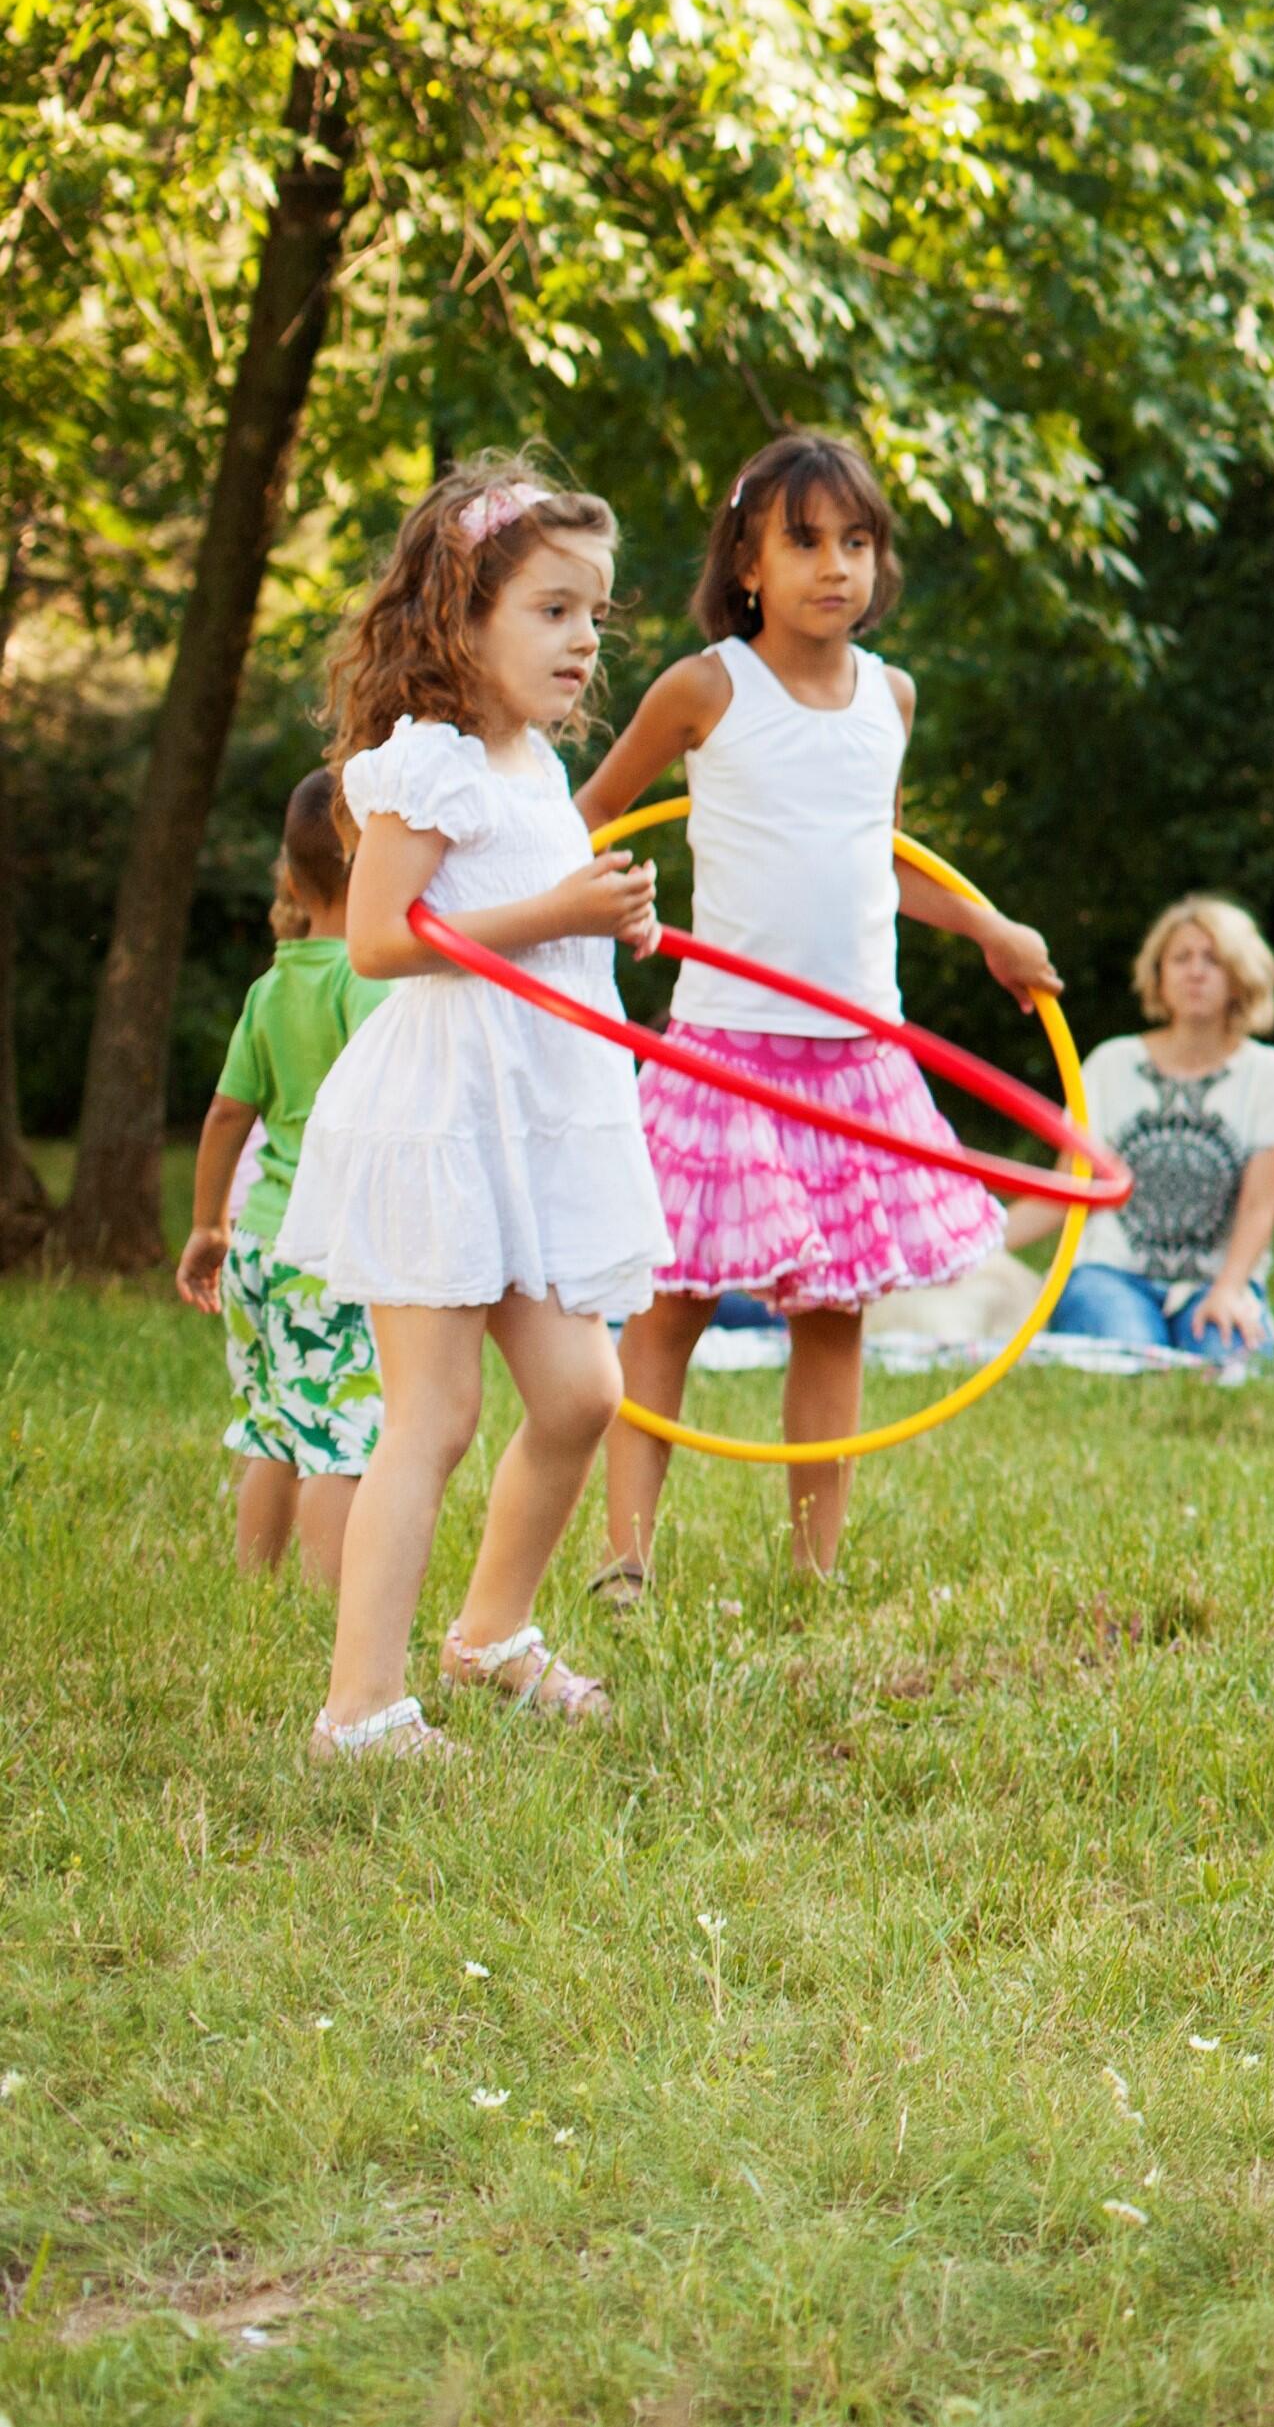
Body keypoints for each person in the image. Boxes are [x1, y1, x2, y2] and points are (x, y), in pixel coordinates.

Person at [584, 431, 1062, 1591]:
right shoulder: (706, 687)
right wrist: (579, 905)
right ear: (747, 562)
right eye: (803, 542)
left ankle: (814, 1570)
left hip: (855, 1057)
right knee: (669, 1310)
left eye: (857, 542)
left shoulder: (889, 697)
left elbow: (884, 863)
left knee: (833, 1316)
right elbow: (588, 820)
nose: (834, 566)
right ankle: (624, 1562)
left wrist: (990, 928)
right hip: (723, 1049)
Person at [274, 457, 675, 1762]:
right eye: (552, 610)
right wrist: (558, 913)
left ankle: (491, 1632)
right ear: (464, 613)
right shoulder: (425, 763)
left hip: (535, 1121)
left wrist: (617, 922)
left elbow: (549, 933)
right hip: (443, 1121)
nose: (581, 642)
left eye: (594, 617)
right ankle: (359, 1710)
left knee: (580, 1394)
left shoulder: (538, 772)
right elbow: (385, 940)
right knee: (433, 1416)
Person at [176, 770, 385, 1590]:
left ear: (292, 882)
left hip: (259, 1241)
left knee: (268, 1421)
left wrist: (208, 1226)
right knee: (342, 1429)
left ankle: (255, 1588)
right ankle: (327, 1599)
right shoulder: (370, 983)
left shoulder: (268, 990)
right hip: (331, 1250)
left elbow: (227, 1115)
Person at [1006, 896, 1274, 1366]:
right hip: (1109, 1274)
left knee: (1226, 1363)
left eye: (1213, 959)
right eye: (1181, 958)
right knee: (1132, 1359)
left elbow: (1258, 1207)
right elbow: (1069, 1191)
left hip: (1215, 1278)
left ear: (1240, 976)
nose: (1195, 971)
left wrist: (1229, 1291)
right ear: (1158, 975)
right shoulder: (1111, 1065)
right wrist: (970, 1248)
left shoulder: (1271, 1077)